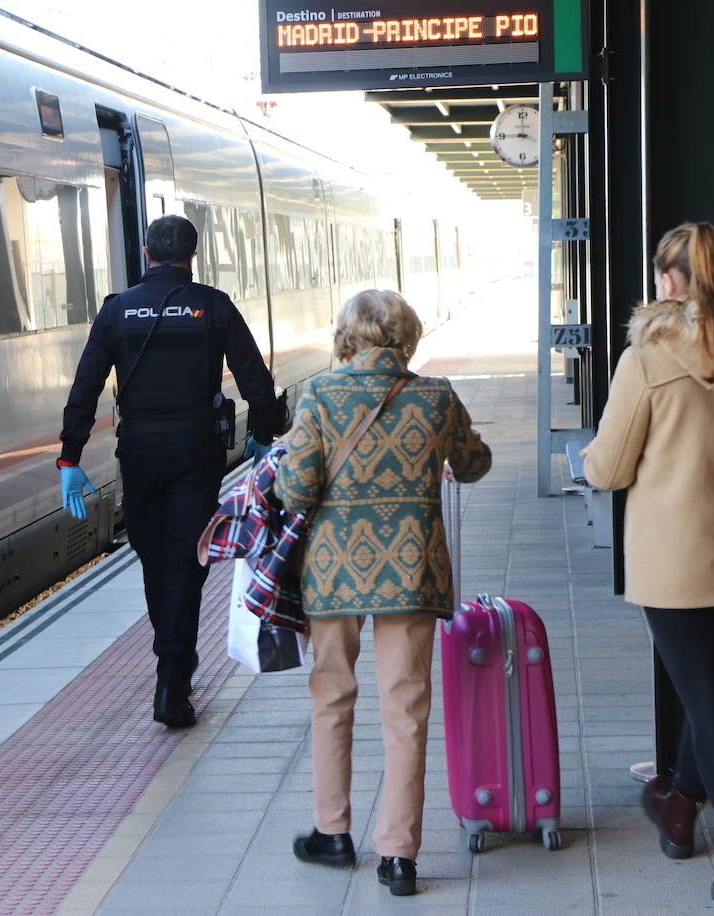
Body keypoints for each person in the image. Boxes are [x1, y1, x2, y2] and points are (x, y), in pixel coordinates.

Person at [582, 222, 714, 912]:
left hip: (676, 563)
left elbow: (609, 468)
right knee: (710, 691)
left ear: (669, 283)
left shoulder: (647, 356)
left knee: (709, 702)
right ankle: (676, 809)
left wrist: (588, 463)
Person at [274, 290, 491, 897]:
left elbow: (295, 492)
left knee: (332, 697)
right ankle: (399, 856)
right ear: (407, 336)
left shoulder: (319, 396)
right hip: (411, 572)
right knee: (406, 710)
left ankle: (333, 832)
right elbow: (474, 465)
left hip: (334, 573)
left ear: (347, 337)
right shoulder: (435, 396)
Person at [59, 214, 278, 728]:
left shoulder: (116, 311)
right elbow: (256, 382)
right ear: (193, 256)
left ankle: (172, 665)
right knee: (185, 559)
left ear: (146, 255)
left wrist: (69, 457)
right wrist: (262, 438)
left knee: (154, 558)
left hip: (138, 452)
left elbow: (85, 388)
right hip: (195, 451)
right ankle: (172, 677)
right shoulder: (213, 305)